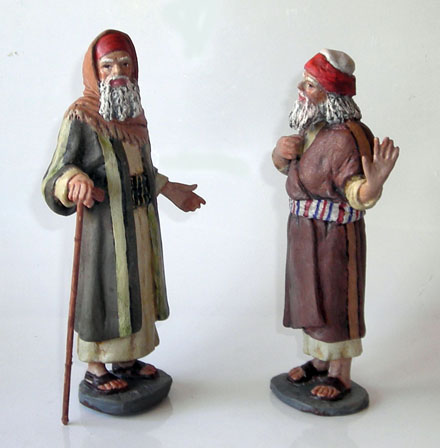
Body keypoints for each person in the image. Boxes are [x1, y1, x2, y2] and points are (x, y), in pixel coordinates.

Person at [43, 30, 205, 394]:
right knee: (105, 291)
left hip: (140, 221)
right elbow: (55, 174)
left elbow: (139, 168)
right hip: (106, 228)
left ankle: (126, 359)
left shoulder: (134, 115)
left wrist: (169, 188)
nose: (117, 72)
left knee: (137, 286)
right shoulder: (81, 116)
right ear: (94, 71)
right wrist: (73, 181)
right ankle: (96, 367)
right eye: (107, 65)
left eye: (124, 64)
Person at [272, 49, 398, 400]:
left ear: (330, 94)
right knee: (311, 301)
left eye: (310, 85)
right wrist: (280, 153)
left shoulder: (348, 137)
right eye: (304, 82)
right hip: (304, 234)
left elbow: (357, 191)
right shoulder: (313, 128)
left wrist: (374, 184)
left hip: (333, 238)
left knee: (335, 300)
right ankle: (319, 361)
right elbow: (292, 170)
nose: (302, 89)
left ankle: (340, 373)